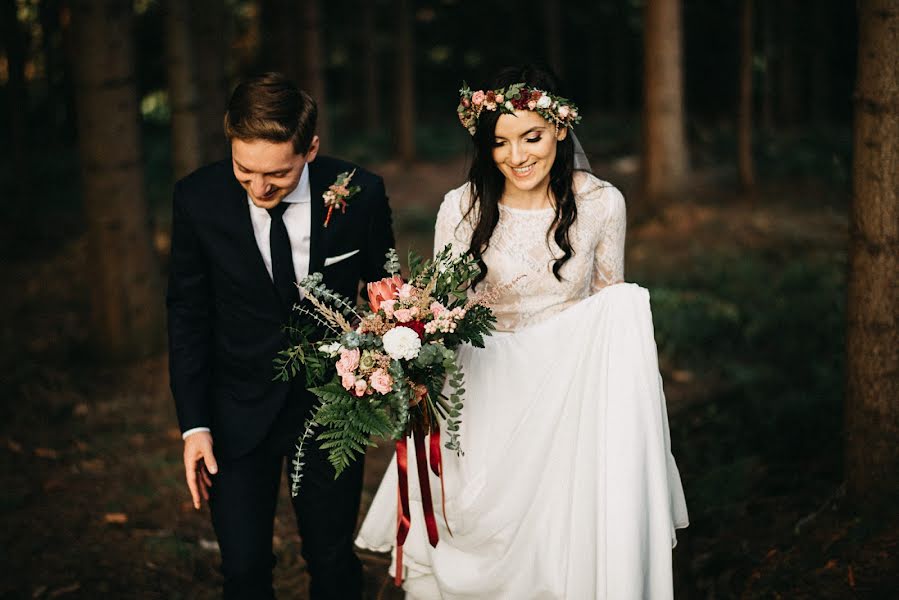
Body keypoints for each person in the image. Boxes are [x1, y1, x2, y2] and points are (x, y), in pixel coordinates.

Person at [356, 65, 688, 599]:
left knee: (558, 535)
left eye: (531, 136)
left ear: (559, 127)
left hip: (568, 391)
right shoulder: (460, 208)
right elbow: (440, 309)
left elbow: (610, 306)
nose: (517, 155)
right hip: (483, 387)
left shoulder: (602, 203)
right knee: (482, 522)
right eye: (500, 143)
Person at [167, 72, 395, 599]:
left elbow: (388, 295)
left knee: (333, 559)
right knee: (243, 569)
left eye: (278, 175)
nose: (259, 187)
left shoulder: (360, 193)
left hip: (329, 410)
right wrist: (194, 425)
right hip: (234, 411)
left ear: (310, 149)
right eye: (244, 170)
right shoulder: (197, 200)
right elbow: (187, 314)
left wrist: (397, 357)